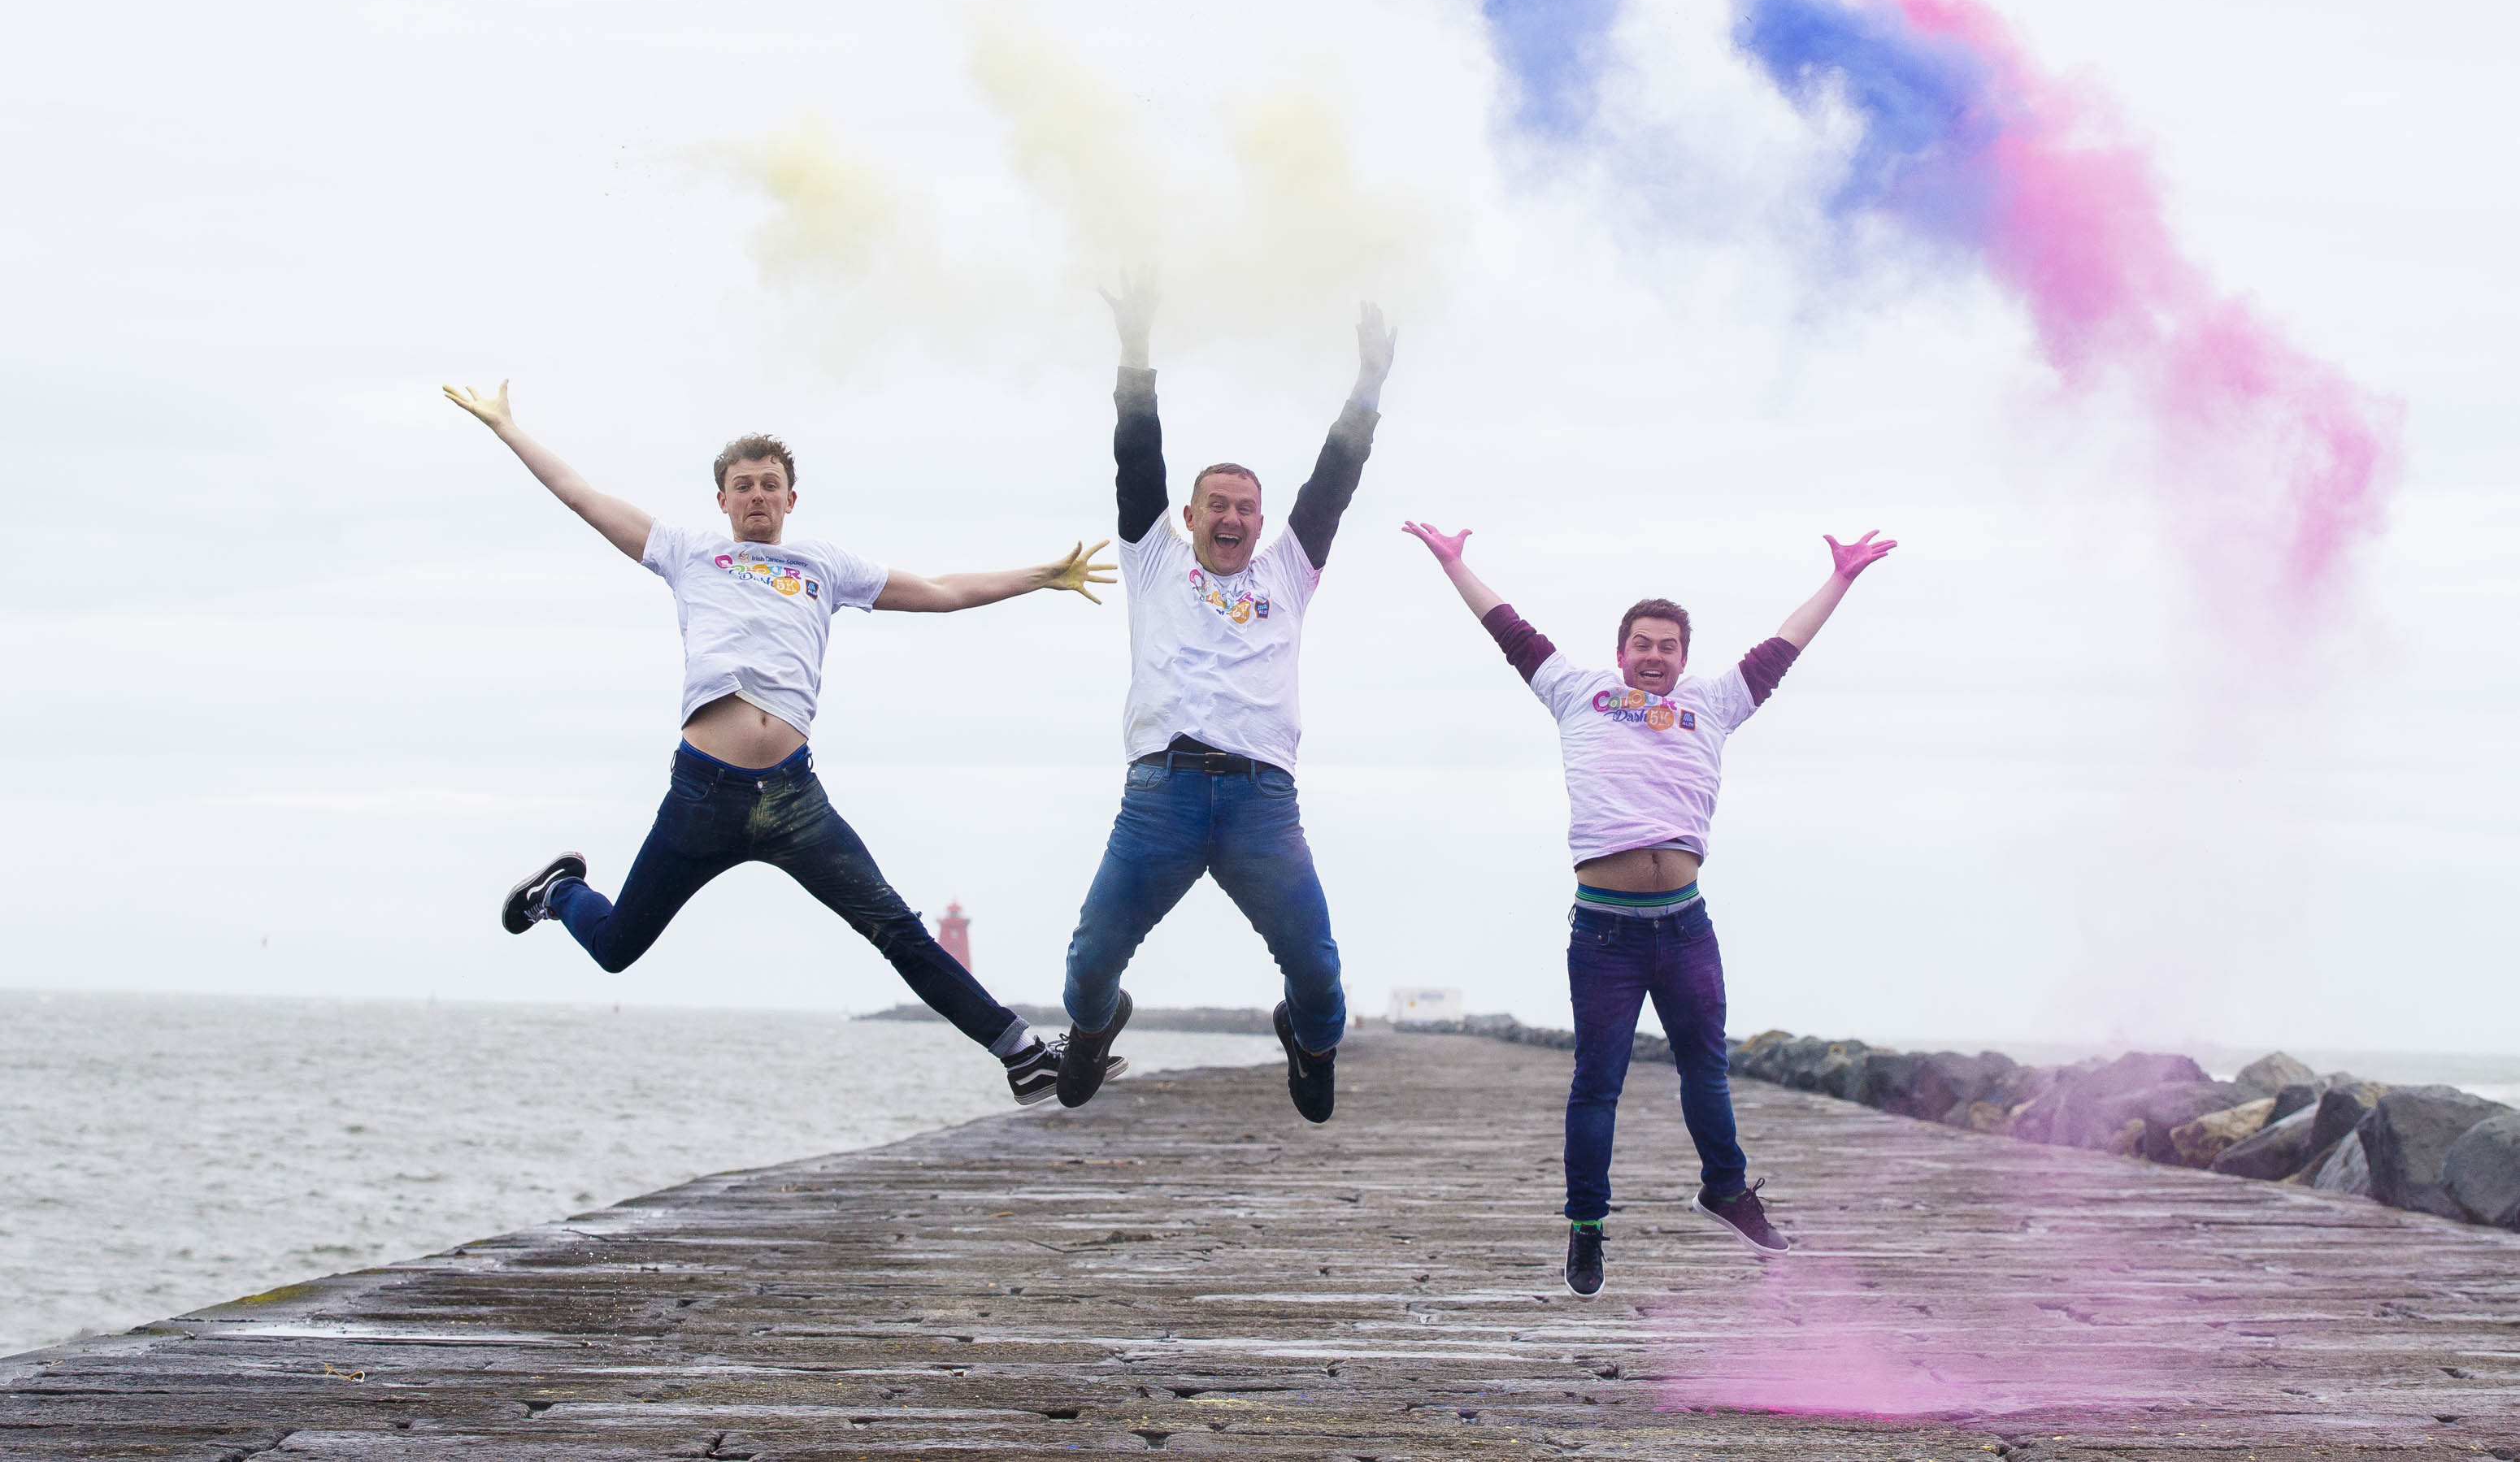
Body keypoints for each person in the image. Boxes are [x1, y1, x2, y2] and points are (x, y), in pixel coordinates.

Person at [444, 380, 1117, 1106]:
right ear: (723, 501)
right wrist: (507, 428)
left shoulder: (823, 567)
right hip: (704, 794)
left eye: (771, 485)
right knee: (615, 950)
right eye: (743, 486)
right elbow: (581, 494)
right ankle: (562, 892)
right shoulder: (687, 552)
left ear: (791, 499)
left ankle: (1021, 1056)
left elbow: (941, 590)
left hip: (793, 798)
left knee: (895, 926)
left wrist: (1042, 575)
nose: (758, 495)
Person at [1401, 519, 1897, 1295]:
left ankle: (1726, 1191)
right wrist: (1456, 564)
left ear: (1684, 657)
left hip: (1686, 926)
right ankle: (1587, 1226)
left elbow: (1785, 646)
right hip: (1604, 934)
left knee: (1708, 1068)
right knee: (1598, 1082)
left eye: (1668, 646)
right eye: (1643, 643)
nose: (1655, 656)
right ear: (1622, 649)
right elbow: (1510, 630)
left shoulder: (1717, 703)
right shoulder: (1578, 693)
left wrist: (1841, 579)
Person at [1054, 283, 1396, 1122]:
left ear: (1261, 518)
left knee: (1317, 976)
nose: (1234, 516)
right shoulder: (1152, 559)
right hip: (1160, 798)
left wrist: (1369, 382)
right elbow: (1136, 453)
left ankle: (1307, 1045)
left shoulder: (1289, 569)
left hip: (1261, 805)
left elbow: (1335, 478)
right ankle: (1094, 1032)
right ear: (1190, 515)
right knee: (1091, 961)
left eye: (1247, 506)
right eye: (1220, 505)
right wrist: (1135, 348)